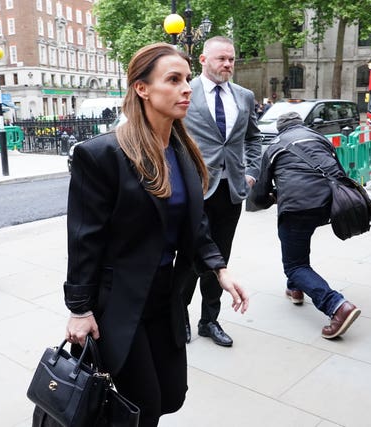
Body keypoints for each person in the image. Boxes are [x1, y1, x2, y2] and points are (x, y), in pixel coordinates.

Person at [63, 42, 249, 427]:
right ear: (142, 89)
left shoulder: (182, 151)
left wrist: (219, 269)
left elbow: (194, 224)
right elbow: (84, 239)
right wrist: (80, 310)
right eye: (174, 80)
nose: (187, 89)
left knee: (171, 395)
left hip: (167, 297)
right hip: (120, 302)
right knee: (142, 405)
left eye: (186, 79)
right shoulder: (101, 155)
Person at [179, 36, 262, 347]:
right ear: (203, 59)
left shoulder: (245, 96)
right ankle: (179, 318)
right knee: (188, 258)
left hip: (231, 191)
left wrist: (252, 173)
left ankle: (209, 321)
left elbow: (254, 139)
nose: (227, 64)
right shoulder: (185, 92)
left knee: (220, 258)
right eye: (221, 59)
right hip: (195, 189)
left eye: (231, 59)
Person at [250, 112, 361, 338]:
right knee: (298, 247)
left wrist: (270, 198)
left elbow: (259, 194)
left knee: (294, 265)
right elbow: (338, 171)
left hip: (297, 208)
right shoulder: (319, 138)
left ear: (281, 129)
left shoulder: (275, 146)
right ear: (301, 124)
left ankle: (336, 306)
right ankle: (295, 288)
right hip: (330, 205)